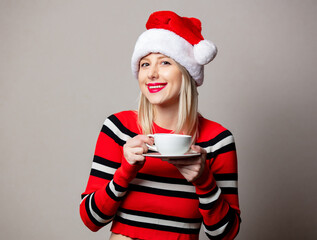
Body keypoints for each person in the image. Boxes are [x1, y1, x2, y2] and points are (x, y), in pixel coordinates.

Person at [80, 10, 241, 240]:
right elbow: (90, 220)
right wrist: (124, 172)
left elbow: (226, 235)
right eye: (145, 64)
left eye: (165, 62)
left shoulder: (218, 139)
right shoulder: (118, 128)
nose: (152, 74)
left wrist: (204, 181)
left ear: (187, 73)